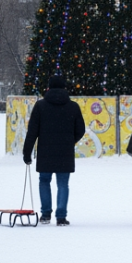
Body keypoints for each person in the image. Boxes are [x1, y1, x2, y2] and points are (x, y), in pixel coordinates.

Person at [21, 75, 86, 225]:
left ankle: (45, 214)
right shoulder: (73, 106)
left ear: (48, 88)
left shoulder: (40, 106)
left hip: (45, 150)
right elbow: (80, 129)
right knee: (63, 184)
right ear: (64, 88)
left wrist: (27, 152)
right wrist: (70, 141)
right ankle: (61, 216)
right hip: (65, 152)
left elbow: (32, 131)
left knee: (44, 181)